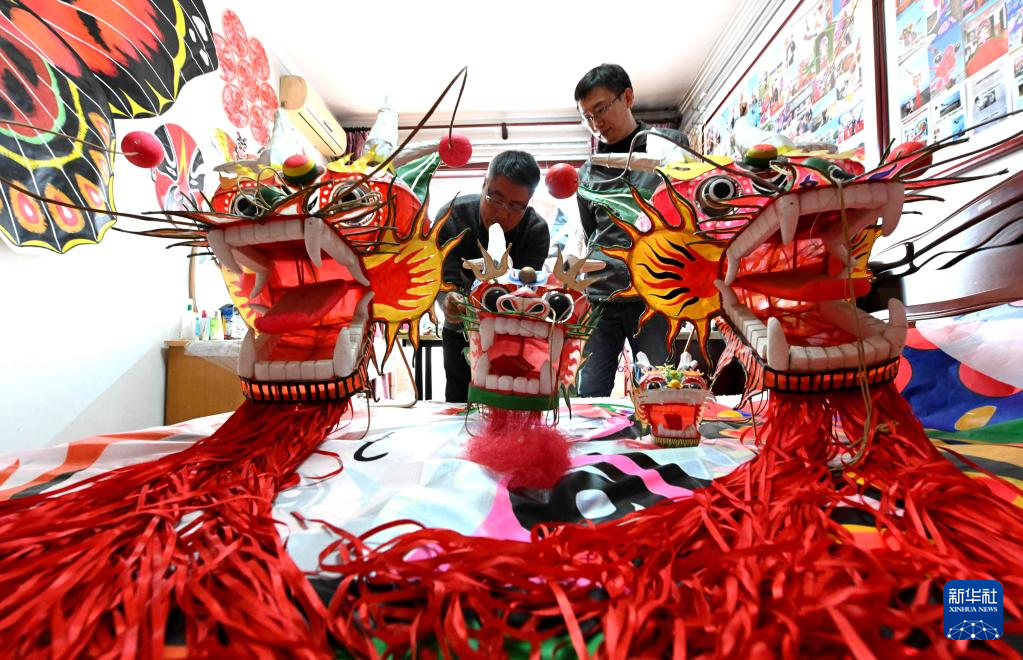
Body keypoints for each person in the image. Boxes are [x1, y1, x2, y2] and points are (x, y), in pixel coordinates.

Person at [573, 63, 689, 397]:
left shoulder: (669, 146)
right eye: (588, 117)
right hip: (601, 296)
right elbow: (593, 233)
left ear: (627, 97)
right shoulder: (589, 171)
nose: (596, 124)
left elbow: (689, 213)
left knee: (660, 390)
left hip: (654, 294)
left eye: (600, 110)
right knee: (589, 391)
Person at [435, 150, 550, 403]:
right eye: (495, 198)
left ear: (528, 202)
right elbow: (445, 281)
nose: (502, 213)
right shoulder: (451, 217)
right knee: (460, 401)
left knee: (512, 401)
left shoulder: (535, 230)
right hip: (461, 328)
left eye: (515, 206)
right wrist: (450, 300)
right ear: (484, 183)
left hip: (514, 332)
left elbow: (526, 291)